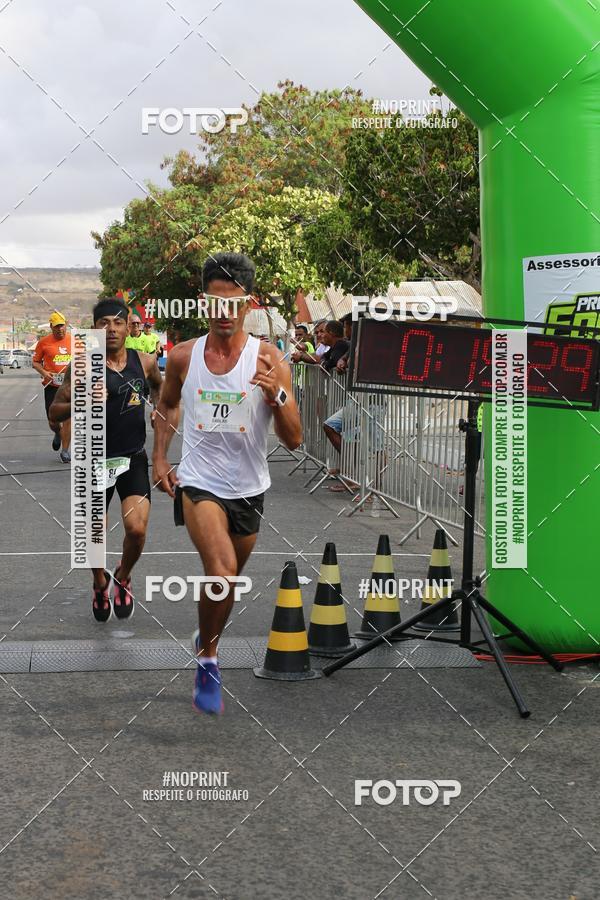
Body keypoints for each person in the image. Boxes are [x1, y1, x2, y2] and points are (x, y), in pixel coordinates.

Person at [152, 252, 302, 715]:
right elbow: (168, 404)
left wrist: (275, 395)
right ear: (203, 303)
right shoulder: (183, 356)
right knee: (220, 572)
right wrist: (160, 456)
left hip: (250, 487)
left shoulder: (268, 358)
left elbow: (294, 439)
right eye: (214, 305)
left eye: (231, 305)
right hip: (199, 483)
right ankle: (209, 659)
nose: (222, 315)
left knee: (229, 582)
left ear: (248, 304)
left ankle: (207, 635)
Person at [50, 298, 162, 623]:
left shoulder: (145, 361)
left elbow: (160, 389)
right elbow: (53, 413)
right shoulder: (83, 364)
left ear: (128, 327)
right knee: (93, 534)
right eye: (103, 323)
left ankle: (122, 576)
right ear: (95, 329)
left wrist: (156, 408)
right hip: (94, 459)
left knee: (136, 530)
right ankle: (100, 583)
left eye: (117, 322)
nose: (111, 328)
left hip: (133, 457)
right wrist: (81, 401)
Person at [32, 312, 72, 463]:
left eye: (62, 325)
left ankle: (65, 451)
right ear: (51, 327)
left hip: (70, 386)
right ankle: (57, 432)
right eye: (56, 327)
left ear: (65, 325)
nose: (60, 329)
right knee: (53, 420)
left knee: (68, 418)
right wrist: (44, 372)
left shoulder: (75, 341)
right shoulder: (44, 342)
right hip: (52, 386)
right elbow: (35, 362)